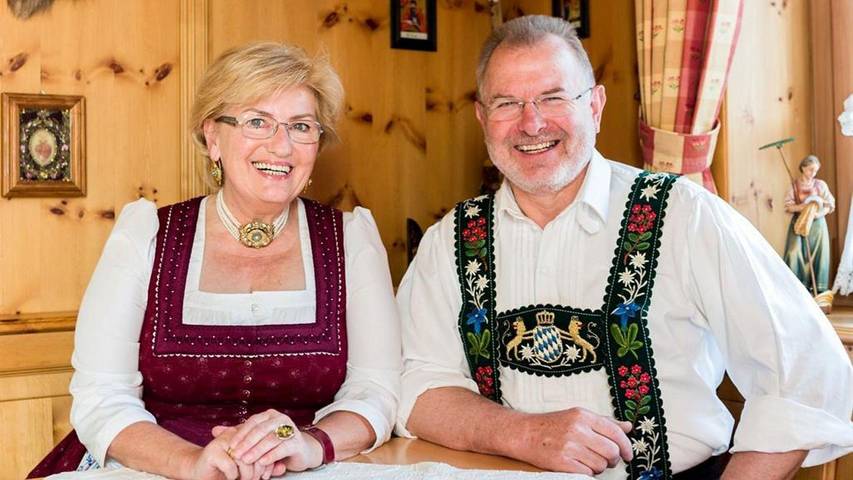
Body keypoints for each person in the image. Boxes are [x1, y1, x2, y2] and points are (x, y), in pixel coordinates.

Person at [396, 15, 853, 480]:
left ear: (595, 105)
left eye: (553, 97)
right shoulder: (449, 241)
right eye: (507, 103)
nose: (531, 123)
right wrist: (523, 434)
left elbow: (807, 374)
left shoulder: (685, 214)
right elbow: (419, 389)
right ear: (482, 116)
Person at [29, 41, 400, 479]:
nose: (282, 147)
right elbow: (101, 395)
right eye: (258, 122)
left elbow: (375, 390)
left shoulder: (351, 240)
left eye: (301, 126)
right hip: (154, 469)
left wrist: (308, 443)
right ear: (212, 137)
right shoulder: (146, 235)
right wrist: (191, 462)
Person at [783, 155, 835, 296]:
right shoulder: (794, 185)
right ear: (803, 168)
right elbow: (788, 206)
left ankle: (819, 288)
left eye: (816, 170)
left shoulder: (820, 185)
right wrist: (804, 207)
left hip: (817, 224)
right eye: (811, 170)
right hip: (799, 223)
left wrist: (818, 213)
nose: (813, 173)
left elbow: (830, 203)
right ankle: (798, 287)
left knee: (819, 253)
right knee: (794, 252)